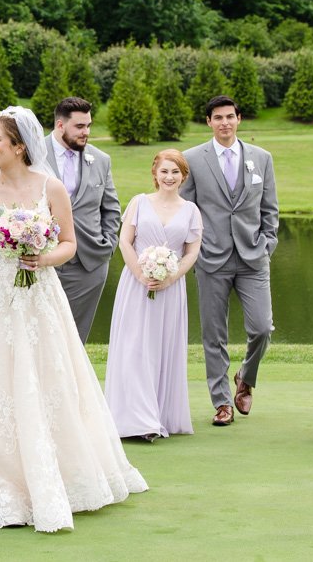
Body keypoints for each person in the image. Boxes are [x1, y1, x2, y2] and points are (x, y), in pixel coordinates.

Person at [0, 107, 147, 533]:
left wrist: (42, 257)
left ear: (19, 146)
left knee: (50, 380)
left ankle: (59, 475)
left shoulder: (52, 187)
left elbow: (69, 243)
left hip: (41, 295)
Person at [180, 95, 279, 426]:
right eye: (217, 118)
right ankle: (222, 402)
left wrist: (267, 244)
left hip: (253, 257)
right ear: (208, 121)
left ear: (239, 119)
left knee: (262, 327)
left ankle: (245, 377)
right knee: (214, 334)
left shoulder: (261, 159)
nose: (224, 123)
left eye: (230, 117)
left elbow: (270, 209)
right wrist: (194, 249)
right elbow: (186, 210)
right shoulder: (193, 159)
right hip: (211, 257)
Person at [105, 149, 202, 441]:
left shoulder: (191, 211)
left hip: (171, 291)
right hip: (136, 285)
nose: (169, 177)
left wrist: (171, 276)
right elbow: (125, 241)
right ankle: (136, 419)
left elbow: (192, 251)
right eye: (164, 171)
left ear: (183, 176)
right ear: (155, 174)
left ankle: (157, 414)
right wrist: (140, 274)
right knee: (135, 347)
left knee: (160, 347)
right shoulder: (139, 202)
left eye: (175, 172)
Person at [44, 97, 120, 343]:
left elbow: (111, 209)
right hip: (43, 260)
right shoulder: (33, 155)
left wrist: (107, 246)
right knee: (43, 334)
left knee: (76, 338)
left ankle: (72, 383)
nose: (86, 132)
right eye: (79, 126)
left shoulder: (101, 159)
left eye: (88, 125)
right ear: (60, 125)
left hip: (89, 265)